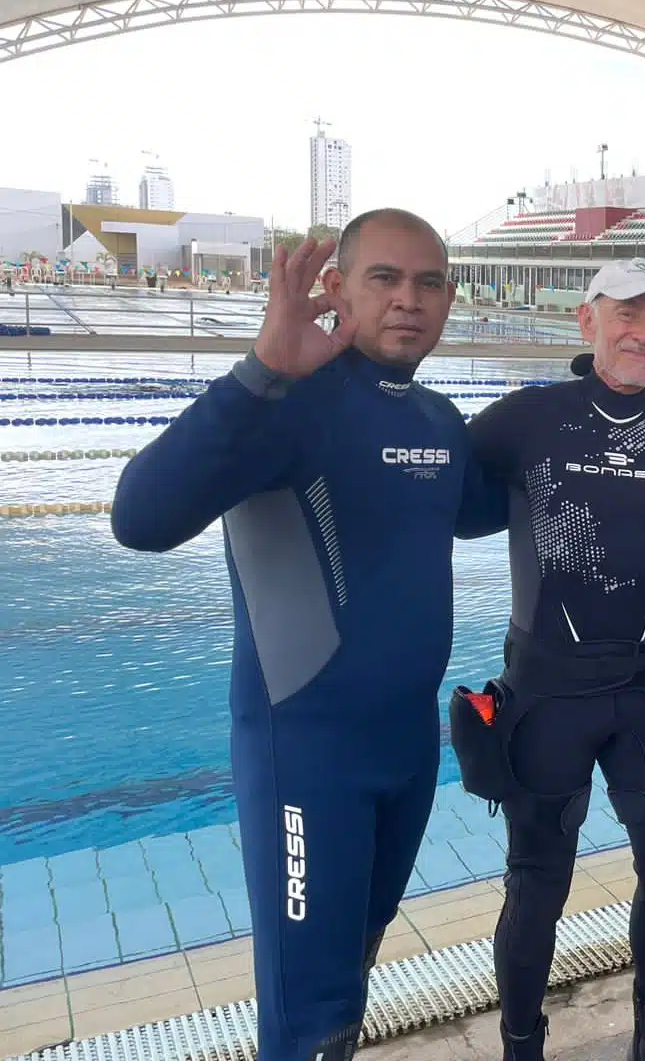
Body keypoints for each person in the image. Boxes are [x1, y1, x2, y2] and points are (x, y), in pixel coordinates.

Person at [110, 213, 506, 1061]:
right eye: (385, 279)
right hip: (307, 756)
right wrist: (257, 372)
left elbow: (486, 509)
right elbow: (138, 519)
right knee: (310, 1022)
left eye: (429, 283)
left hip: (407, 751)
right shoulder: (279, 406)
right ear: (337, 288)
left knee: (355, 968)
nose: (409, 301)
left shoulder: (438, 421)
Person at [460, 257, 645, 1061]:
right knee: (538, 884)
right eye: (627, 315)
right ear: (587, 321)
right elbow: (433, 504)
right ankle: (521, 1048)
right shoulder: (526, 419)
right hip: (548, 697)